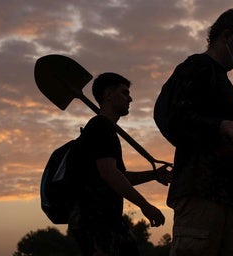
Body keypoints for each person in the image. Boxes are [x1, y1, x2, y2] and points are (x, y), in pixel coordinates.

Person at [156, 8, 233, 256]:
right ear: (227, 36)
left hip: (232, 200)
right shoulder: (197, 67)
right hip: (201, 196)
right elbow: (172, 117)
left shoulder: (221, 80)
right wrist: (224, 126)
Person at [68, 72, 171, 256]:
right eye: (124, 93)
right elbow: (109, 174)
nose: (130, 99)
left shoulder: (102, 128)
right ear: (108, 95)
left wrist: (153, 175)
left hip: (102, 221)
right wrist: (145, 205)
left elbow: (117, 175)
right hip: (96, 221)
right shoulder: (101, 127)